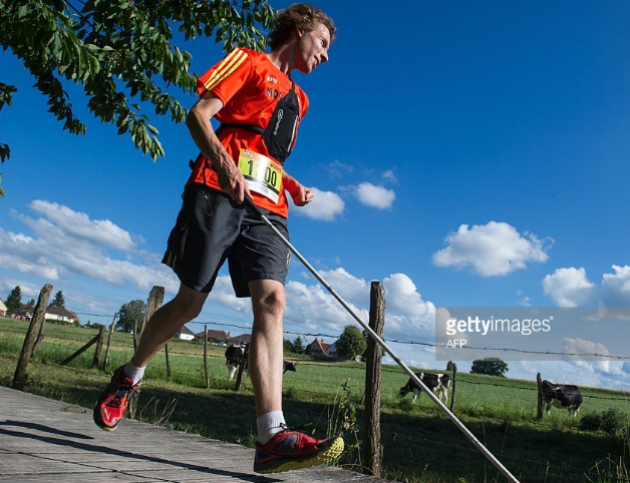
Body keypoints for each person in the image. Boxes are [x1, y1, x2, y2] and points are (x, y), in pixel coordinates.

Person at [93, 3, 342, 475]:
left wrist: (291, 185)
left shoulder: (301, 101)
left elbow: (266, 155)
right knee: (191, 304)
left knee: (273, 301)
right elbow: (199, 116)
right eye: (324, 43)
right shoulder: (247, 60)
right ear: (300, 29)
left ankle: (271, 436)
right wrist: (226, 168)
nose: (326, 56)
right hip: (216, 189)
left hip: (268, 209)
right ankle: (130, 376)